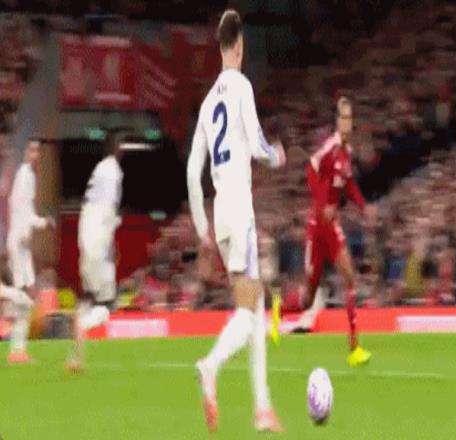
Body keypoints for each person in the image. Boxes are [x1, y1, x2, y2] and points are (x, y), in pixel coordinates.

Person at [187, 9, 286, 433]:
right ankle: (210, 366)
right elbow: (258, 143)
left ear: (220, 46)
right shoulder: (241, 86)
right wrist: (276, 155)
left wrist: (202, 232)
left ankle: (262, 409)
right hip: (240, 207)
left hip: (219, 213)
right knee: (248, 311)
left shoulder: (208, 102)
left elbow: (192, 171)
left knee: (256, 304)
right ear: (240, 46)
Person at [274, 97, 375, 367]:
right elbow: (311, 169)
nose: (346, 123)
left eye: (349, 118)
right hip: (317, 226)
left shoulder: (347, 152)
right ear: (337, 122)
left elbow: (349, 184)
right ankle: (279, 308)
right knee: (307, 300)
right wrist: (322, 206)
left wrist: (364, 206)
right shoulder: (330, 147)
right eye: (343, 118)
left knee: (350, 279)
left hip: (332, 226)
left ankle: (354, 348)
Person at [66, 129, 126, 372]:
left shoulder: (98, 171)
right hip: (98, 243)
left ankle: (76, 357)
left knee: (89, 298)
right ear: (118, 148)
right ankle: (83, 324)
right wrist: (111, 246)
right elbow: (108, 211)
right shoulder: (113, 172)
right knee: (106, 305)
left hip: (85, 240)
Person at [6, 139, 54, 363]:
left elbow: (27, 212)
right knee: (23, 297)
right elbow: (20, 211)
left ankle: (18, 350)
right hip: (18, 243)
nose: (36, 155)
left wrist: (43, 222)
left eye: (38, 151)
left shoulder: (29, 176)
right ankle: (17, 350)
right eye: (32, 150)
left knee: (27, 297)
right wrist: (39, 224)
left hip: (23, 245)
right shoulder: (24, 176)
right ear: (25, 151)